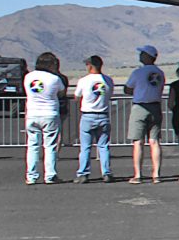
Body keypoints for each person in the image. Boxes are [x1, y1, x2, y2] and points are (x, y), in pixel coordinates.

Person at [23, 52, 69, 184]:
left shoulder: (28, 77)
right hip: (49, 113)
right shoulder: (54, 78)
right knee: (50, 146)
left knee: (32, 146)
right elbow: (61, 92)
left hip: (32, 113)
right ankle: (50, 175)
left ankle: (31, 176)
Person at [123, 45, 166, 184]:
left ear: (148, 56)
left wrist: (137, 91)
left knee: (138, 142)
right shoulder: (160, 73)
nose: (140, 55)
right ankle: (156, 174)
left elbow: (127, 89)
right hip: (155, 107)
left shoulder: (138, 73)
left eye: (142, 53)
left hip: (140, 107)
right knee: (154, 141)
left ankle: (138, 174)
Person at [72, 55, 114, 182]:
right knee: (103, 146)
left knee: (85, 147)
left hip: (88, 115)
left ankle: (83, 173)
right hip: (103, 114)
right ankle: (106, 172)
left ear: (90, 66)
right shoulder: (108, 80)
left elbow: (77, 96)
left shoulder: (84, 81)